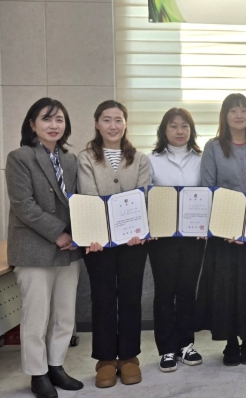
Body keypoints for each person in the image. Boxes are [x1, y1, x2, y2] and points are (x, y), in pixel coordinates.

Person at [6, 98, 84, 398]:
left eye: (59, 119)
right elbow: (23, 205)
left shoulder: (70, 159)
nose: (54, 125)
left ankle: (56, 366)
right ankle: (37, 374)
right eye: (46, 119)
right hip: (35, 248)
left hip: (68, 248)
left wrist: (80, 233)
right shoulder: (20, 157)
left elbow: (79, 202)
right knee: (36, 315)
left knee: (64, 314)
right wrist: (58, 233)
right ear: (32, 124)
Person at [195, 93, 246, 366]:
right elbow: (209, 188)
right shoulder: (213, 147)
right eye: (233, 110)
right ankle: (230, 341)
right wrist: (229, 227)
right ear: (225, 116)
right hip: (224, 234)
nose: (239, 115)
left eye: (244, 110)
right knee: (226, 288)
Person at [77, 100, 150, 388]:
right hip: (98, 243)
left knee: (131, 297)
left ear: (125, 123)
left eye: (118, 119)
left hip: (133, 240)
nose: (113, 125)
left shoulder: (140, 159)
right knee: (103, 298)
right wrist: (99, 233)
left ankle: (129, 355)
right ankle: (106, 358)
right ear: (97, 123)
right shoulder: (85, 158)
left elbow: (143, 196)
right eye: (106, 119)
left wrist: (136, 229)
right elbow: (89, 196)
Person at [147, 108, 204, 372]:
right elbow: (145, 197)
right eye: (173, 126)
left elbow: (209, 193)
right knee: (164, 292)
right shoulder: (151, 160)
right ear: (164, 130)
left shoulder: (201, 159)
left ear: (191, 131)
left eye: (185, 126)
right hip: (162, 237)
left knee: (187, 291)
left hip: (194, 236)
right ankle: (166, 349)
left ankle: (186, 345)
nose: (179, 131)